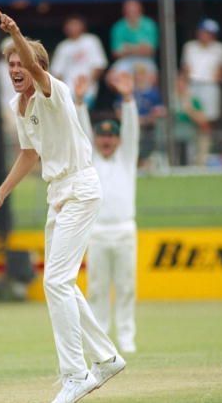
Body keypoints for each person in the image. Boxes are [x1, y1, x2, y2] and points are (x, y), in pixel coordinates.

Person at [0, 7, 125, 403]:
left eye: (20, 62)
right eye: (9, 62)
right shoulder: (17, 106)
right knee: (61, 283)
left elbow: (33, 62)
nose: (15, 67)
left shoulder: (54, 90)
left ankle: (76, 373)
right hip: (57, 193)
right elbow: (29, 155)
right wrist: (0, 194)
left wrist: (16, 33)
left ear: (36, 67)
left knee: (55, 282)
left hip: (80, 186)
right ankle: (107, 358)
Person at [74, 73, 139, 354]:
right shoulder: (90, 160)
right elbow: (80, 133)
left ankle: (126, 337)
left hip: (125, 229)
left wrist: (127, 100)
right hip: (97, 231)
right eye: (102, 136)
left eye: (112, 136)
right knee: (97, 288)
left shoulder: (127, 158)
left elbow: (132, 132)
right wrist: (78, 102)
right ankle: (100, 337)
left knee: (126, 287)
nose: (107, 141)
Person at [50, 15, 108, 108]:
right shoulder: (63, 46)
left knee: (81, 114)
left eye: (76, 24)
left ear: (83, 26)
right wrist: (61, 93)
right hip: (67, 93)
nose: (73, 28)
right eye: (70, 25)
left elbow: (99, 66)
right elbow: (56, 74)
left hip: (87, 91)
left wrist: (88, 86)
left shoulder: (91, 40)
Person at [180, 18, 222, 124]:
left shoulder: (220, 48)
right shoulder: (189, 46)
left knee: (209, 117)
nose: (207, 35)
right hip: (192, 84)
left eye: (210, 33)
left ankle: (206, 140)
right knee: (191, 115)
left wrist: (220, 73)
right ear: (199, 32)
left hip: (210, 85)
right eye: (205, 32)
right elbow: (185, 67)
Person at [107, 0, 158, 84]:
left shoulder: (149, 24)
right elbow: (116, 53)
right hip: (125, 60)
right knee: (111, 78)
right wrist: (139, 48)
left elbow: (150, 51)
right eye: (129, 10)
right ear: (124, 11)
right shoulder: (118, 26)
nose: (131, 12)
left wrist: (128, 48)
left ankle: (147, 96)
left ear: (140, 10)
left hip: (145, 60)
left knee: (151, 77)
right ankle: (122, 96)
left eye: (134, 10)